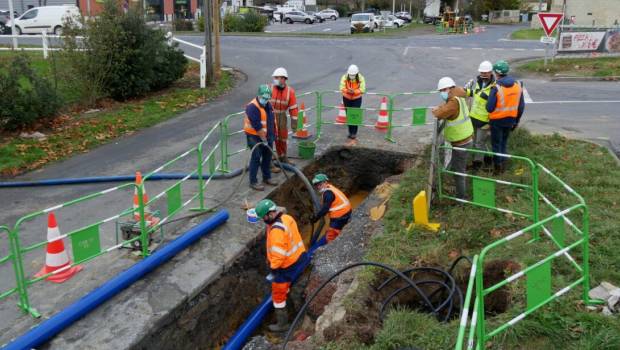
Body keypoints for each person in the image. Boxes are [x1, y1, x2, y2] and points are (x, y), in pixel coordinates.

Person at [255, 199, 308, 332]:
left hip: (286, 267)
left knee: (278, 295)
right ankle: (297, 312)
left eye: (264, 218)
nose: (263, 220)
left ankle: (283, 324)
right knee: (293, 287)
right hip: (300, 259)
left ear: (270, 215)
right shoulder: (287, 218)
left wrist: (273, 269)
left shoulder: (276, 231)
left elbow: (278, 256)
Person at [431, 77, 474, 200]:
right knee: (459, 168)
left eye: (443, 90)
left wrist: (436, 111)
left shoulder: (453, 102)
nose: (442, 93)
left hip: (462, 143)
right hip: (465, 138)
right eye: (440, 91)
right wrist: (440, 107)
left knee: (459, 172)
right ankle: (461, 194)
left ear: (450, 89)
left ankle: (461, 198)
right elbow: (445, 106)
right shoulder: (458, 97)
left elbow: (439, 114)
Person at [486, 60, 525, 174]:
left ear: (497, 73)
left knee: (496, 144)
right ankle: (503, 163)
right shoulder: (517, 85)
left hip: (497, 121)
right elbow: (521, 106)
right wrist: (516, 121)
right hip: (510, 120)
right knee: (504, 141)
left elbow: (489, 108)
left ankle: (498, 168)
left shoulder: (496, 87)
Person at [244, 85, 279, 191]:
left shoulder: (268, 105)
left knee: (267, 157)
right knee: (256, 158)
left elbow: (272, 121)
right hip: (254, 136)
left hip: (267, 136)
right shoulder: (252, 107)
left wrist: (273, 135)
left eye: (267, 98)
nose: (265, 100)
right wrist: (263, 139)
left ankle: (267, 178)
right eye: (264, 97)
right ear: (259, 95)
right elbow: (257, 125)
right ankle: (253, 182)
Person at [464, 60, 495, 170]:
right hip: (474, 118)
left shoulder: (494, 87)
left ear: (491, 72)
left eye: (485, 73)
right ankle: (488, 158)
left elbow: (495, 106)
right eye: (481, 72)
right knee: (477, 142)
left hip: (485, 121)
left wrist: (491, 122)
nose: (483, 75)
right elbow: (476, 94)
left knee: (479, 143)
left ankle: (477, 164)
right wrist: (465, 91)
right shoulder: (479, 82)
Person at [310, 173, 352, 243]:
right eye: (316, 185)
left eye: (320, 184)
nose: (318, 186)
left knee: (330, 236)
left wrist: (315, 218)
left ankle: (324, 248)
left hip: (340, 217)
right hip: (347, 212)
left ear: (325, 182)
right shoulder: (330, 188)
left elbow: (325, 209)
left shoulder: (328, 193)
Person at [271, 67, 299, 165]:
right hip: (270, 116)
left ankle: (283, 156)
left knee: (282, 137)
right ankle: (269, 160)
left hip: (282, 116)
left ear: (283, 79)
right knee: (270, 138)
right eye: (275, 77)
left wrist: (294, 124)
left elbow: (293, 108)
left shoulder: (290, 92)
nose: (275, 80)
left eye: (277, 78)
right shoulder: (270, 88)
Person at [339, 64, 366, 146]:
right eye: (351, 75)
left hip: (356, 99)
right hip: (347, 98)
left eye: (353, 75)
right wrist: (347, 91)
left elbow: (362, 89)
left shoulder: (361, 78)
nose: (352, 76)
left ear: (357, 74)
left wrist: (354, 92)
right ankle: (350, 132)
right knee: (349, 115)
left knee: (354, 115)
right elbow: (341, 87)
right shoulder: (344, 77)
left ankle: (354, 133)